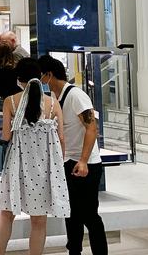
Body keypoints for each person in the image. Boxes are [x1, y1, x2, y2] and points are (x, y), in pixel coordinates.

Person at [0, 58, 70, 255]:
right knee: (38, 220)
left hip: (17, 163)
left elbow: (6, 136)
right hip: (44, 167)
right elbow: (61, 138)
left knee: (6, 213)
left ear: (19, 79)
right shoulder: (52, 103)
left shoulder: (10, 101)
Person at [40, 55, 107, 255]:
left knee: (89, 215)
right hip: (68, 163)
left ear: (49, 75)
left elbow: (92, 128)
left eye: (41, 76)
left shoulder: (76, 95)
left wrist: (84, 160)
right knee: (72, 215)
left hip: (86, 165)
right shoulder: (56, 99)